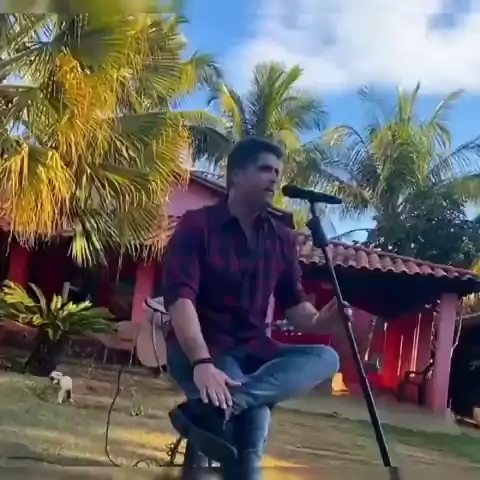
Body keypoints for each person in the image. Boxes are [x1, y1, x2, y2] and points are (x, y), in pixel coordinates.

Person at [161, 137, 345, 479]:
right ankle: (229, 409)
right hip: (205, 345)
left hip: (254, 350)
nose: (274, 178)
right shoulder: (197, 225)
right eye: (264, 169)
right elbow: (180, 299)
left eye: (277, 172)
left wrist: (323, 321)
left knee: (326, 358)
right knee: (251, 432)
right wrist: (202, 363)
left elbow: (295, 307)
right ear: (236, 175)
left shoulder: (281, 239)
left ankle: (217, 410)